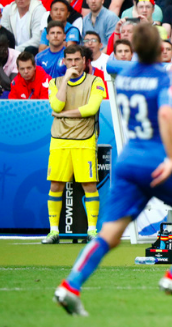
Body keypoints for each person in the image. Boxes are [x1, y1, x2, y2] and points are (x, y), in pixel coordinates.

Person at [53, 24, 172, 315]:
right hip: (154, 161)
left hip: (129, 161)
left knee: (110, 234)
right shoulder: (168, 76)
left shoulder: (125, 76)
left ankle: (70, 285)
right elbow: (166, 112)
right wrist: (170, 157)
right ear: (159, 49)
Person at [42, 44, 105, 245]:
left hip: (84, 140)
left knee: (89, 185)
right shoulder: (55, 83)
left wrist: (63, 115)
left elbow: (91, 108)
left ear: (85, 61)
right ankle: (53, 231)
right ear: (64, 62)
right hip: (59, 141)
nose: (73, 64)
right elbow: (57, 104)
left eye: (77, 60)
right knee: (56, 184)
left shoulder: (96, 82)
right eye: (69, 60)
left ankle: (92, 230)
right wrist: (65, 82)